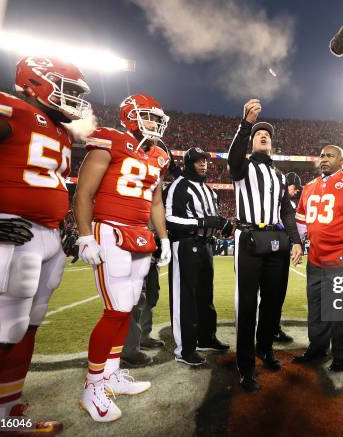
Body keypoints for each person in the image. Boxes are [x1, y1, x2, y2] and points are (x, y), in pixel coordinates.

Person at [0, 56, 92, 433]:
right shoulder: (6, 109)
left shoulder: (60, 131)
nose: (74, 100)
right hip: (9, 233)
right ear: (34, 83)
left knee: (27, 329)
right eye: (68, 89)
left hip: (47, 237)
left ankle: (3, 417)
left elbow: (46, 184)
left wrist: (62, 226)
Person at [74, 94, 172, 422]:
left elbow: (156, 203)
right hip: (110, 230)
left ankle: (112, 375)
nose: (156, 124)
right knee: (114, 310)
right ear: (131, 115)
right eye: (150, 117)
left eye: (159, 119)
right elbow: (84, 191)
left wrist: (164, 238)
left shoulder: (158, 155)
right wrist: (85, 235)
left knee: (126, 309)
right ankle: (92, 386)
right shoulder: (111, 139)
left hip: (139, 235)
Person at [228, 99, 303, 393]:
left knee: (273, 301)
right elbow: (233, 157)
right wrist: (246, 123)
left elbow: (286, 211)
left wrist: (297, 241)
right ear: (251, 140)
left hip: (276, 242)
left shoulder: (279, 175)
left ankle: (265, 348)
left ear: (272, 144)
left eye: (268, 135)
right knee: (248, 305)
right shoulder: (242, 167)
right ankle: (245, 366)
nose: (264, 136)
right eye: (259, 134)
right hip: (248, 239)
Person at [293, 145, 343, 372]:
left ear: (342, 161)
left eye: (330, 155)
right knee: (317, 308)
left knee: (339, 310)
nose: (324, 159)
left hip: (342, 258)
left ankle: (340, 355)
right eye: (321, 155)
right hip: (316, 259)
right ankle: (317, 348)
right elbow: (300, 220)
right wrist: (299, 243)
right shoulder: (309, 187)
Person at [165, 147, 230, 366]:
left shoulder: (208, 190)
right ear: (188, 163)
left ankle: (206, 337)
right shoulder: (178, 186)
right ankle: (185, 349)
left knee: (205, 295)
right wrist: (200, 223)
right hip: (185, 245)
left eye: (205, 161)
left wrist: (223, 223)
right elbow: (169, 219)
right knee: (186, 297)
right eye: (198, 161)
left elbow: (211, 217)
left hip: (206, 246)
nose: (204, 164)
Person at [120, 233, 164, 368]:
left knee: (151, 298)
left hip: (152, 256)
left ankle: (144, 337)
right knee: (134, 301)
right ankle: (129, 350)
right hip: (135, 252)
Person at [272, 171, 303, 345]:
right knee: (271, 293)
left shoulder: (289, 202)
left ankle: (274, 328)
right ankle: (269, 329)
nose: (297, 191)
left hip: (283, 248)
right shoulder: (277, 200)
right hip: (272, 248)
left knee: (279, 293)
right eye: (294, 187)